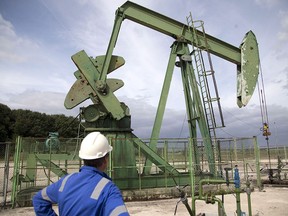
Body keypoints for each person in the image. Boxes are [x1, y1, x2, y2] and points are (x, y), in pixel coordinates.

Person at [33, 132, 129, 216]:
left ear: (83, 157)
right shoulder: (108, 189)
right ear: (105, 160)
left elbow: (39, 199)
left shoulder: (65, 181)